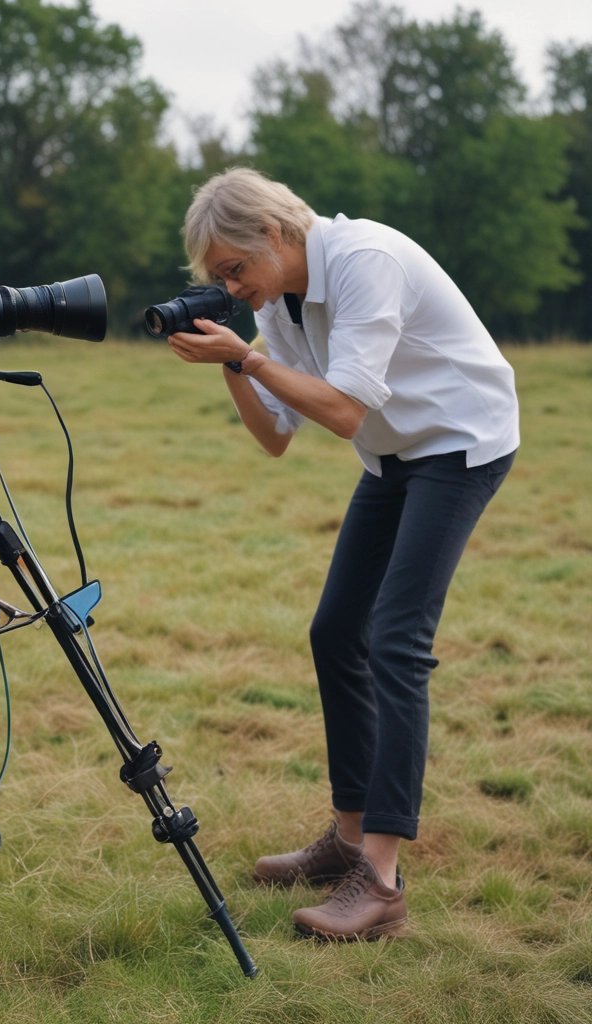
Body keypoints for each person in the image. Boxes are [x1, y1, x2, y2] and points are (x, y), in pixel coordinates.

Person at [168, 167, 519, 942]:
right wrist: (234, 361)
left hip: (460, 442)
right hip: (394, 458)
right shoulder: (282, 299)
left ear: (278, 234)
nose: (230, 287)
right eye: (218, 276)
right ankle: (349, 835)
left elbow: (343, 409)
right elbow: (274, 439)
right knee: (335, 632)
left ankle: (382, 883)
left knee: (396, 641)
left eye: (234, 268)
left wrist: (253, 358)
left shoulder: (365, 262)